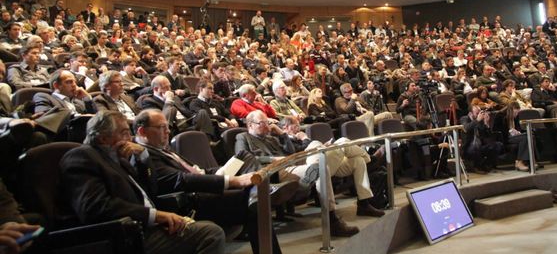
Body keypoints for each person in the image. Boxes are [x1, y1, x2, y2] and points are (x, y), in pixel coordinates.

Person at [59, 111, 225, 254]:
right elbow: (95, 207)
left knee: (209, 227)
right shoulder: (82, 156)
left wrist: (143, 159)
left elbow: (150, 190)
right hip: (124, 234)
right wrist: (155, 216)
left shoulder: (119, 159)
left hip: (146, 225)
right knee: (210, 233)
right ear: (104, 138)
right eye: (124, 133)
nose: (130, 138)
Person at [134, 109, 296, 254]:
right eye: (161, 127)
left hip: (205, 182)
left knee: (244, 157)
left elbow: (196, 171)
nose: (168, 130)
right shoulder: (146, 155)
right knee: (253, 204)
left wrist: (219, 172)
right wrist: (232, 181)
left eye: (166, 126)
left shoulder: (163, 150)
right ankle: (260, 192)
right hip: (192, 199)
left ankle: (259, 191)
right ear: (142, 131)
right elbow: (181, 180)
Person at [234, 110, 360, 237]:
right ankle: (332, 221)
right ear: (250, 125)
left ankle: (305, 182)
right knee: (321, 168)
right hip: (273, 171)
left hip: (290, 164)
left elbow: (290, 151)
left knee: (318, 157)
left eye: (268, 122)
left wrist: (282, 133)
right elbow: (243, 158)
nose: (267, 126)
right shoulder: (242, 137)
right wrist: (272, 159)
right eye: (263, 123)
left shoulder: (271, 138)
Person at [460, 105, 503, 173]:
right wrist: (477, 120)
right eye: (477, 113)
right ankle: (476, 167)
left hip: (480, 145)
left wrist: (486, 124)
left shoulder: (480, 120)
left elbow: (488, 136)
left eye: (479, 113)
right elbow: (466, 128)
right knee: (476, 145)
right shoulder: (464, 118)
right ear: (470, 113)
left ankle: (486, 165)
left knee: (498, 145)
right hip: (468, 148)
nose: (479, 115)